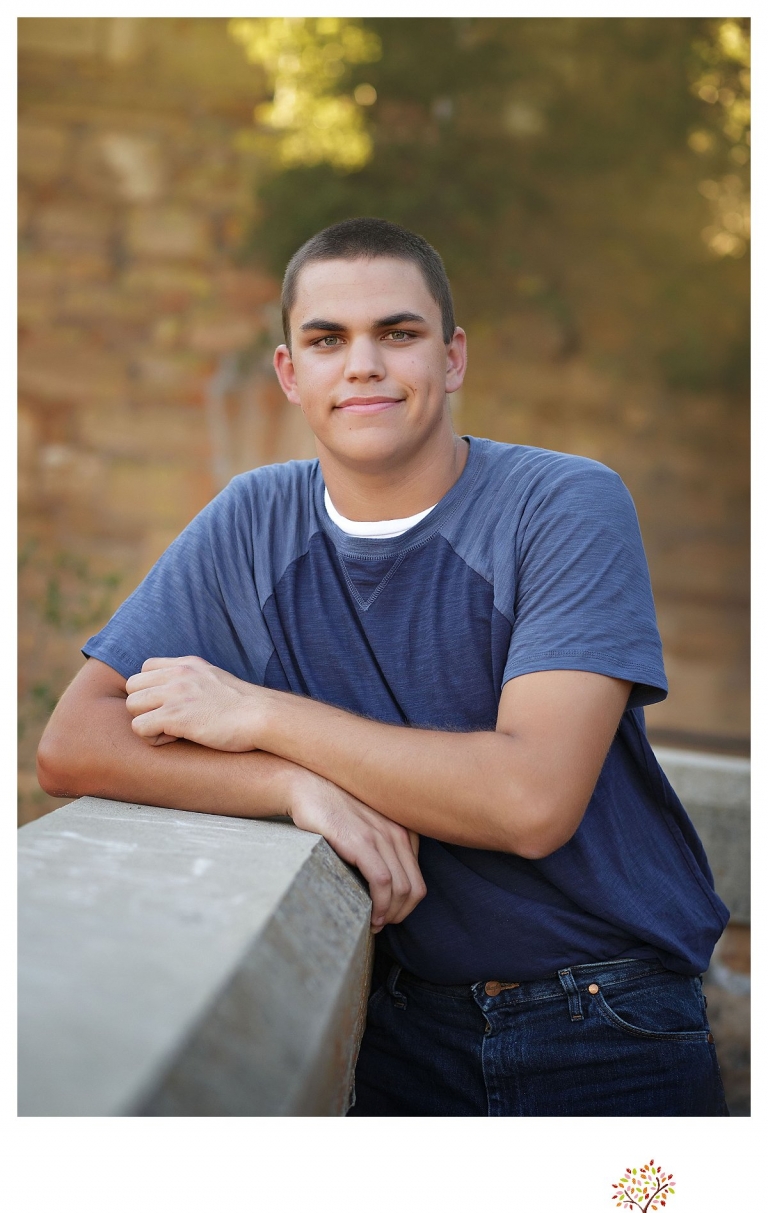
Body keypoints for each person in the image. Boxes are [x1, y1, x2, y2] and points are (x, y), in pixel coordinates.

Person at [37, 217, 730, 1117]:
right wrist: (292, 785)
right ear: (291, 374)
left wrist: (265, 718)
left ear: (452, 357)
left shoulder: (561, 505)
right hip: (399, 1029)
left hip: (606, 1021)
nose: (362, 364)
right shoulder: (254, 521)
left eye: (397, 334)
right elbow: (72, 743)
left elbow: (530, 802)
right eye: (327, 340)